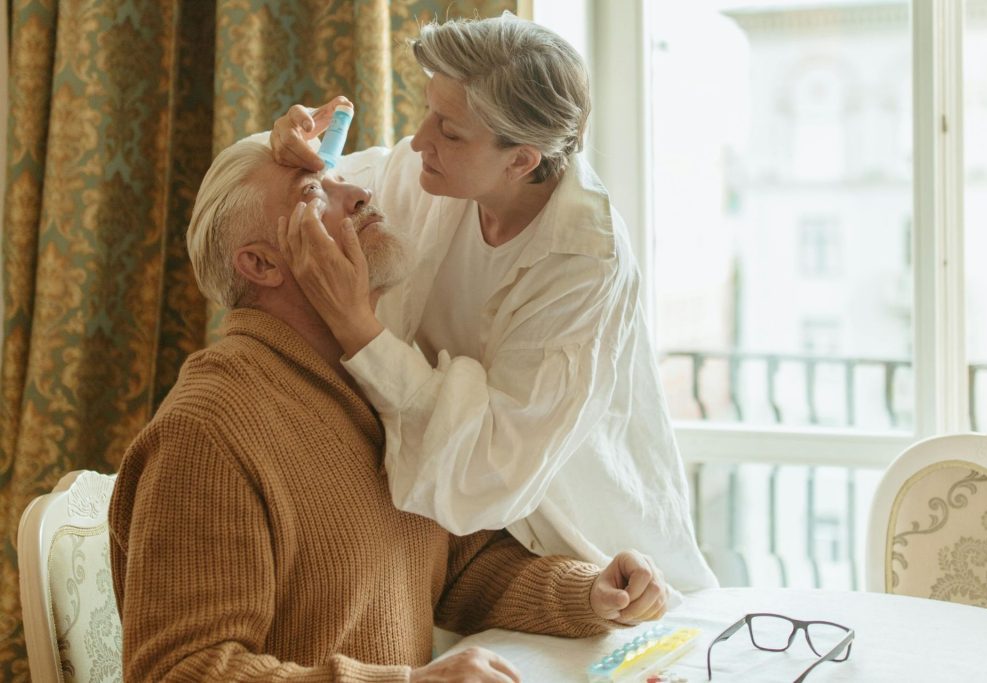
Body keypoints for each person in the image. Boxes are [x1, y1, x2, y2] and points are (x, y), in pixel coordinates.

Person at [108, 135, 670, 682]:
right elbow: (178, 671)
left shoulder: (370, 383)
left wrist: (587, 592)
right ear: (261, 264)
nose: (357, 193)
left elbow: (458, 568)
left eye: (338, 178)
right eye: (313, 193)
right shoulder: (207, 430)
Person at [271, 13, 718, 592]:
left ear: (521, 160)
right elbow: (302, 189)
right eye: (430, 110)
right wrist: (281, 147)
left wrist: (359, 328)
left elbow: (489, 469)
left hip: (585, 551)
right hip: (456, 551)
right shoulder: (428, 175)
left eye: (450, 132)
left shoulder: (582, 263)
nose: (422, 139)